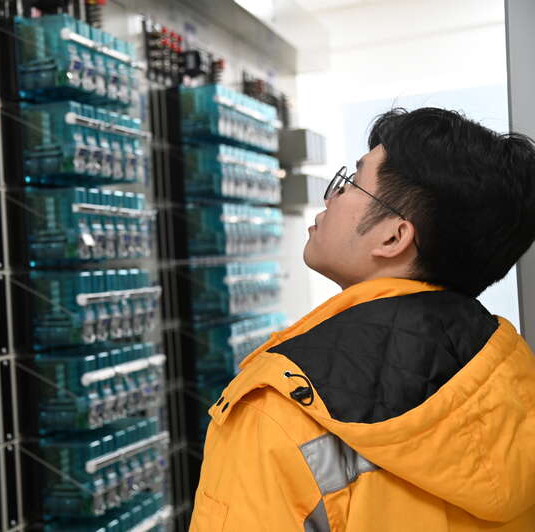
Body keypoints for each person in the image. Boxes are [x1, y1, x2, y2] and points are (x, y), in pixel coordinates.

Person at [189, 107, 535, 531]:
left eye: (352, 182)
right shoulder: (515, 380)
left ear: (393, 237)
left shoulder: (279, 407)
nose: (329, 197)